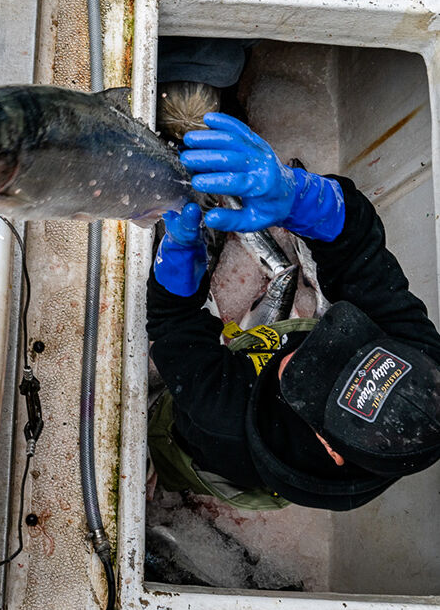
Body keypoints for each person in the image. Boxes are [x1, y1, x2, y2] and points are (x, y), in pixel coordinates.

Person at [146, 112, 440, 511]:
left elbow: (172, 328)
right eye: (343, 343)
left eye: (313, 373)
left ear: (328, 447)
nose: (301, 352)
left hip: (212, 449)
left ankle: (169, 466)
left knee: (171, 445)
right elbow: (359, 253)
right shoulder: (422, 361)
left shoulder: (226, 419)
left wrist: (177, 277)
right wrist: (306, 199)